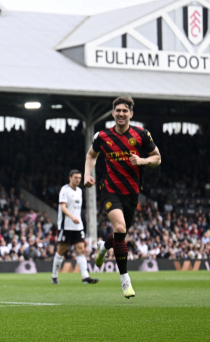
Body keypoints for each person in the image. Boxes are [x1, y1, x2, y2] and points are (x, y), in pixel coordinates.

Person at [84, 96, 161, 298]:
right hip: (110, 188)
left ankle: (103, 246)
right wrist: (86, 175)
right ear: (113, 113)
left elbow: (157, 158)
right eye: (118, 110)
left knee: (121, 234)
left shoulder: (141, 134)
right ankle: (125, 280)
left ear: (131, 114)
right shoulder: (102, 136)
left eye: (125, 111)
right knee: (119, 228)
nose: (121, 114)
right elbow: (91, 155)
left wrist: (142, 160)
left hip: (132, 192)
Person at [51, 170, 99, 285]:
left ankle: (85, 277)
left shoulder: (80, 191)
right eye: (75, 177)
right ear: (70, 178)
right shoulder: (64, 190)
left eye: (79, 178)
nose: (78, 180)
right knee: (61, 250)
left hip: (78, 226)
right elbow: (63, 207)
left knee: (81, 249)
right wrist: (72, 217)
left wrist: (77, 219)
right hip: (66, 226)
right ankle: (54, 276)